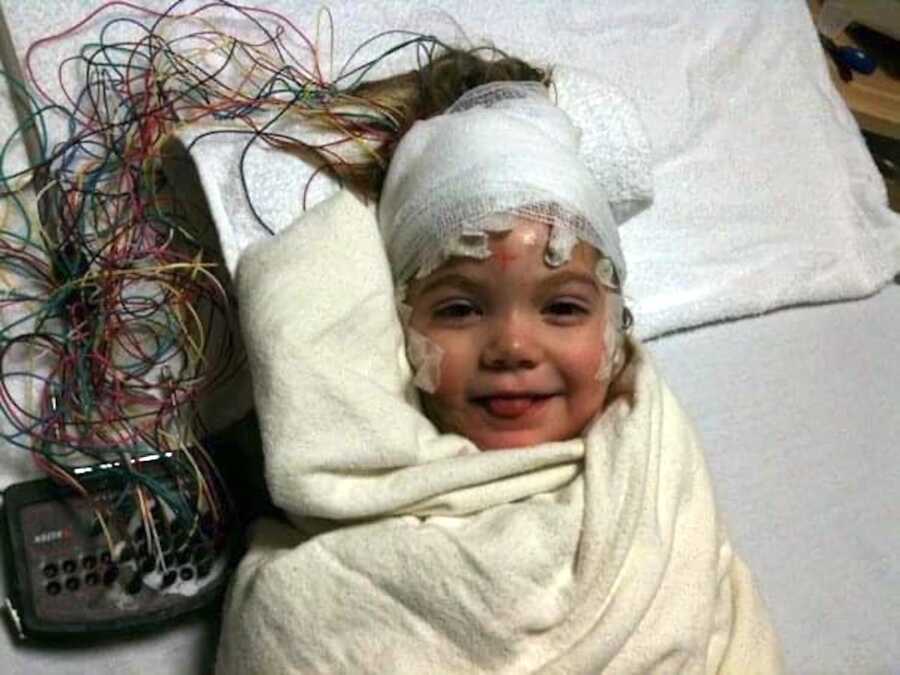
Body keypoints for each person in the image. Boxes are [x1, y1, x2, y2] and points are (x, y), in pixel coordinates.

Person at [216, 46, 784, 674]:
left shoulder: (658, 478)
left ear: (615, 331)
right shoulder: (328, 558)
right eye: (459, 309)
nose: (513, 348)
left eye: (564, 308)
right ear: (397, 328)